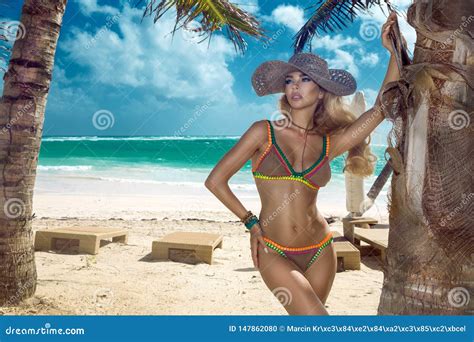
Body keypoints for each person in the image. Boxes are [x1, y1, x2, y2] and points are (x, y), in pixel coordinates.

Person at [205, 12, 401, 315]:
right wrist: (251, 223)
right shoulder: (264, 132)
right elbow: (215, 181)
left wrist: (392, 52)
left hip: (321, 248)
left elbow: (380, 110)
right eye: (289, 80)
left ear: (320, 90)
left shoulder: (329, 143)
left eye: (305, 79)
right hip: (273, 250)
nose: (295, 85)